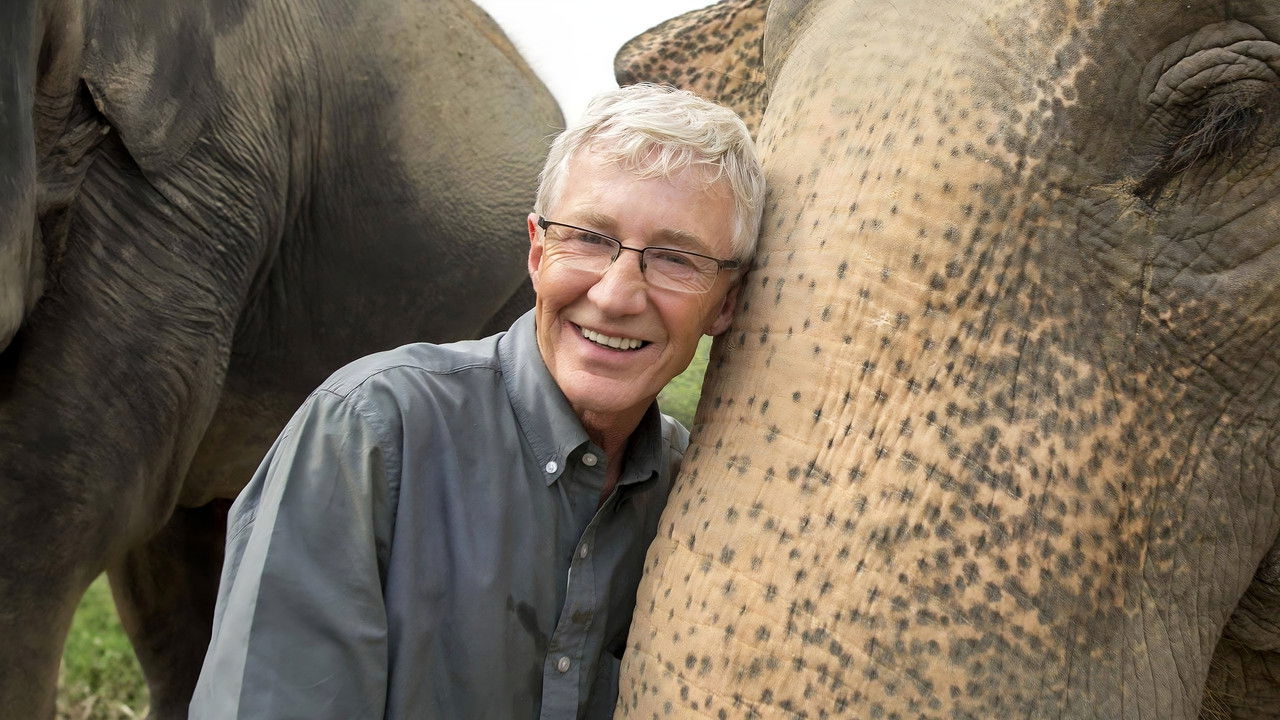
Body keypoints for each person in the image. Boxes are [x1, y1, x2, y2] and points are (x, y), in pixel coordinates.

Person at [189, 83, 764, 719]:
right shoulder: (372, 429)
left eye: (676, 258)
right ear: (538, 251)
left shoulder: (695, 493)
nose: (617, 294)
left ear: (728, 302)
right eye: (590, 238)